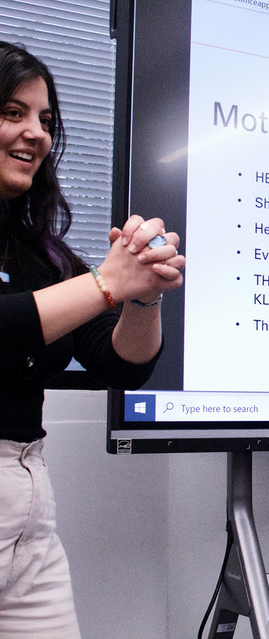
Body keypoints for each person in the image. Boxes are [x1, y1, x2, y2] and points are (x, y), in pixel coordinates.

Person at [0, 42, 185, 638]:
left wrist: (142, 294)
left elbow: (121, 364)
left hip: (29, 517)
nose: (36, 134)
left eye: (46, 121)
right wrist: (107, 282)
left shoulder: (41, 252)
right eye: (12, 113)